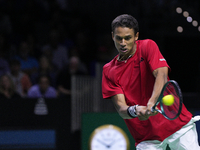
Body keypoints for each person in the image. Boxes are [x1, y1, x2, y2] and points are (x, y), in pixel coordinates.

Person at [102, 14, 200, 150]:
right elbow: (121, 108)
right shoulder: (108, 70)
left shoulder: (147, 46)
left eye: (128, 38)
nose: (123, 43)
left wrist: (151, 102)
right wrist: (135, 110)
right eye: (119, 38)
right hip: (146, 137)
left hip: (178, 126)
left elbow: (161, 74)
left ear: (136, 36)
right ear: (113, 36)